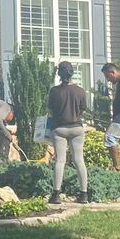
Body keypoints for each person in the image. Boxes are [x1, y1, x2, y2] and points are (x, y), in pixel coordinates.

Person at [48, 60, 90, 204]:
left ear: (59, 73)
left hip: (59, 129)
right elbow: (83, 109)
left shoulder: (54, 91)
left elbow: (51, 110)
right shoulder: (80, 91)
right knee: (79, 160)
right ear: (72, 73)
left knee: (60, 160)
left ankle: (56, 195)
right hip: (77, 128)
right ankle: (84, 194)